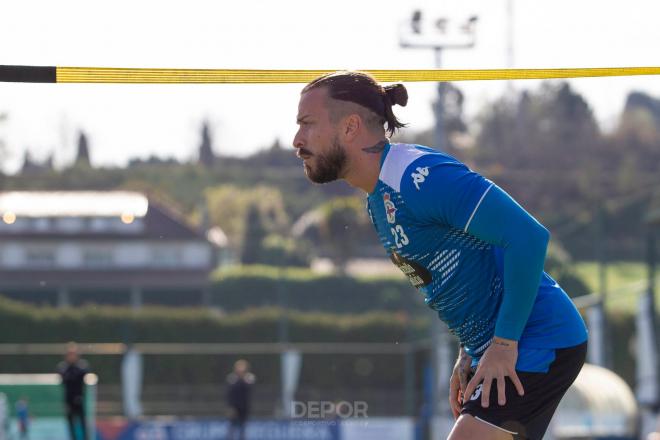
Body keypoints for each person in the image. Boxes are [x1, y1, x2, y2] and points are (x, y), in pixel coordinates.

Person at [292, 71, 588, 440]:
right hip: (498, 346)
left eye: (307, 124)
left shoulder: (420, 176)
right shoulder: (376, 200)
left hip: (539, 336)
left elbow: (527, 237)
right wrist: (470, 351)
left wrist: (503, 344)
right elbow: (464, 270)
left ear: (350, 127)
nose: (297, 140)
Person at [57, 342, 90, 440]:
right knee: (71, 426)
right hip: (69, 401)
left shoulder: (82, 366)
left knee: (83, 425)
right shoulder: (63, 367)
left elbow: (81, 375)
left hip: (79, 400)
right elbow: (64, 378)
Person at [226, 359, 255, 440]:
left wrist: (242, 378)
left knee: (243, 430)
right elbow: (229, 394)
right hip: (234, 408)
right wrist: (230, 407)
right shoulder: (232, 378)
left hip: (244, 408)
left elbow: (248, 389)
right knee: (231, 429)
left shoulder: (249, 378)